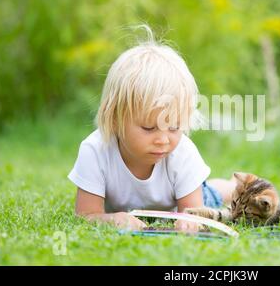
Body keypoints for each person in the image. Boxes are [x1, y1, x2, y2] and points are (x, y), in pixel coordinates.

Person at [68, 26, 236, 232]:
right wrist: (113, 219)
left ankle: (233, 185)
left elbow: (191, 214)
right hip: (157, 197)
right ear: (114, 119)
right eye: (149, 128)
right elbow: (86, 215)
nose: (163, 140)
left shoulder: (183, 153)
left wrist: (188, 221)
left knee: (211, 195)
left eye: (174, 127)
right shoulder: (95, 150)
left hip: (177, 199)